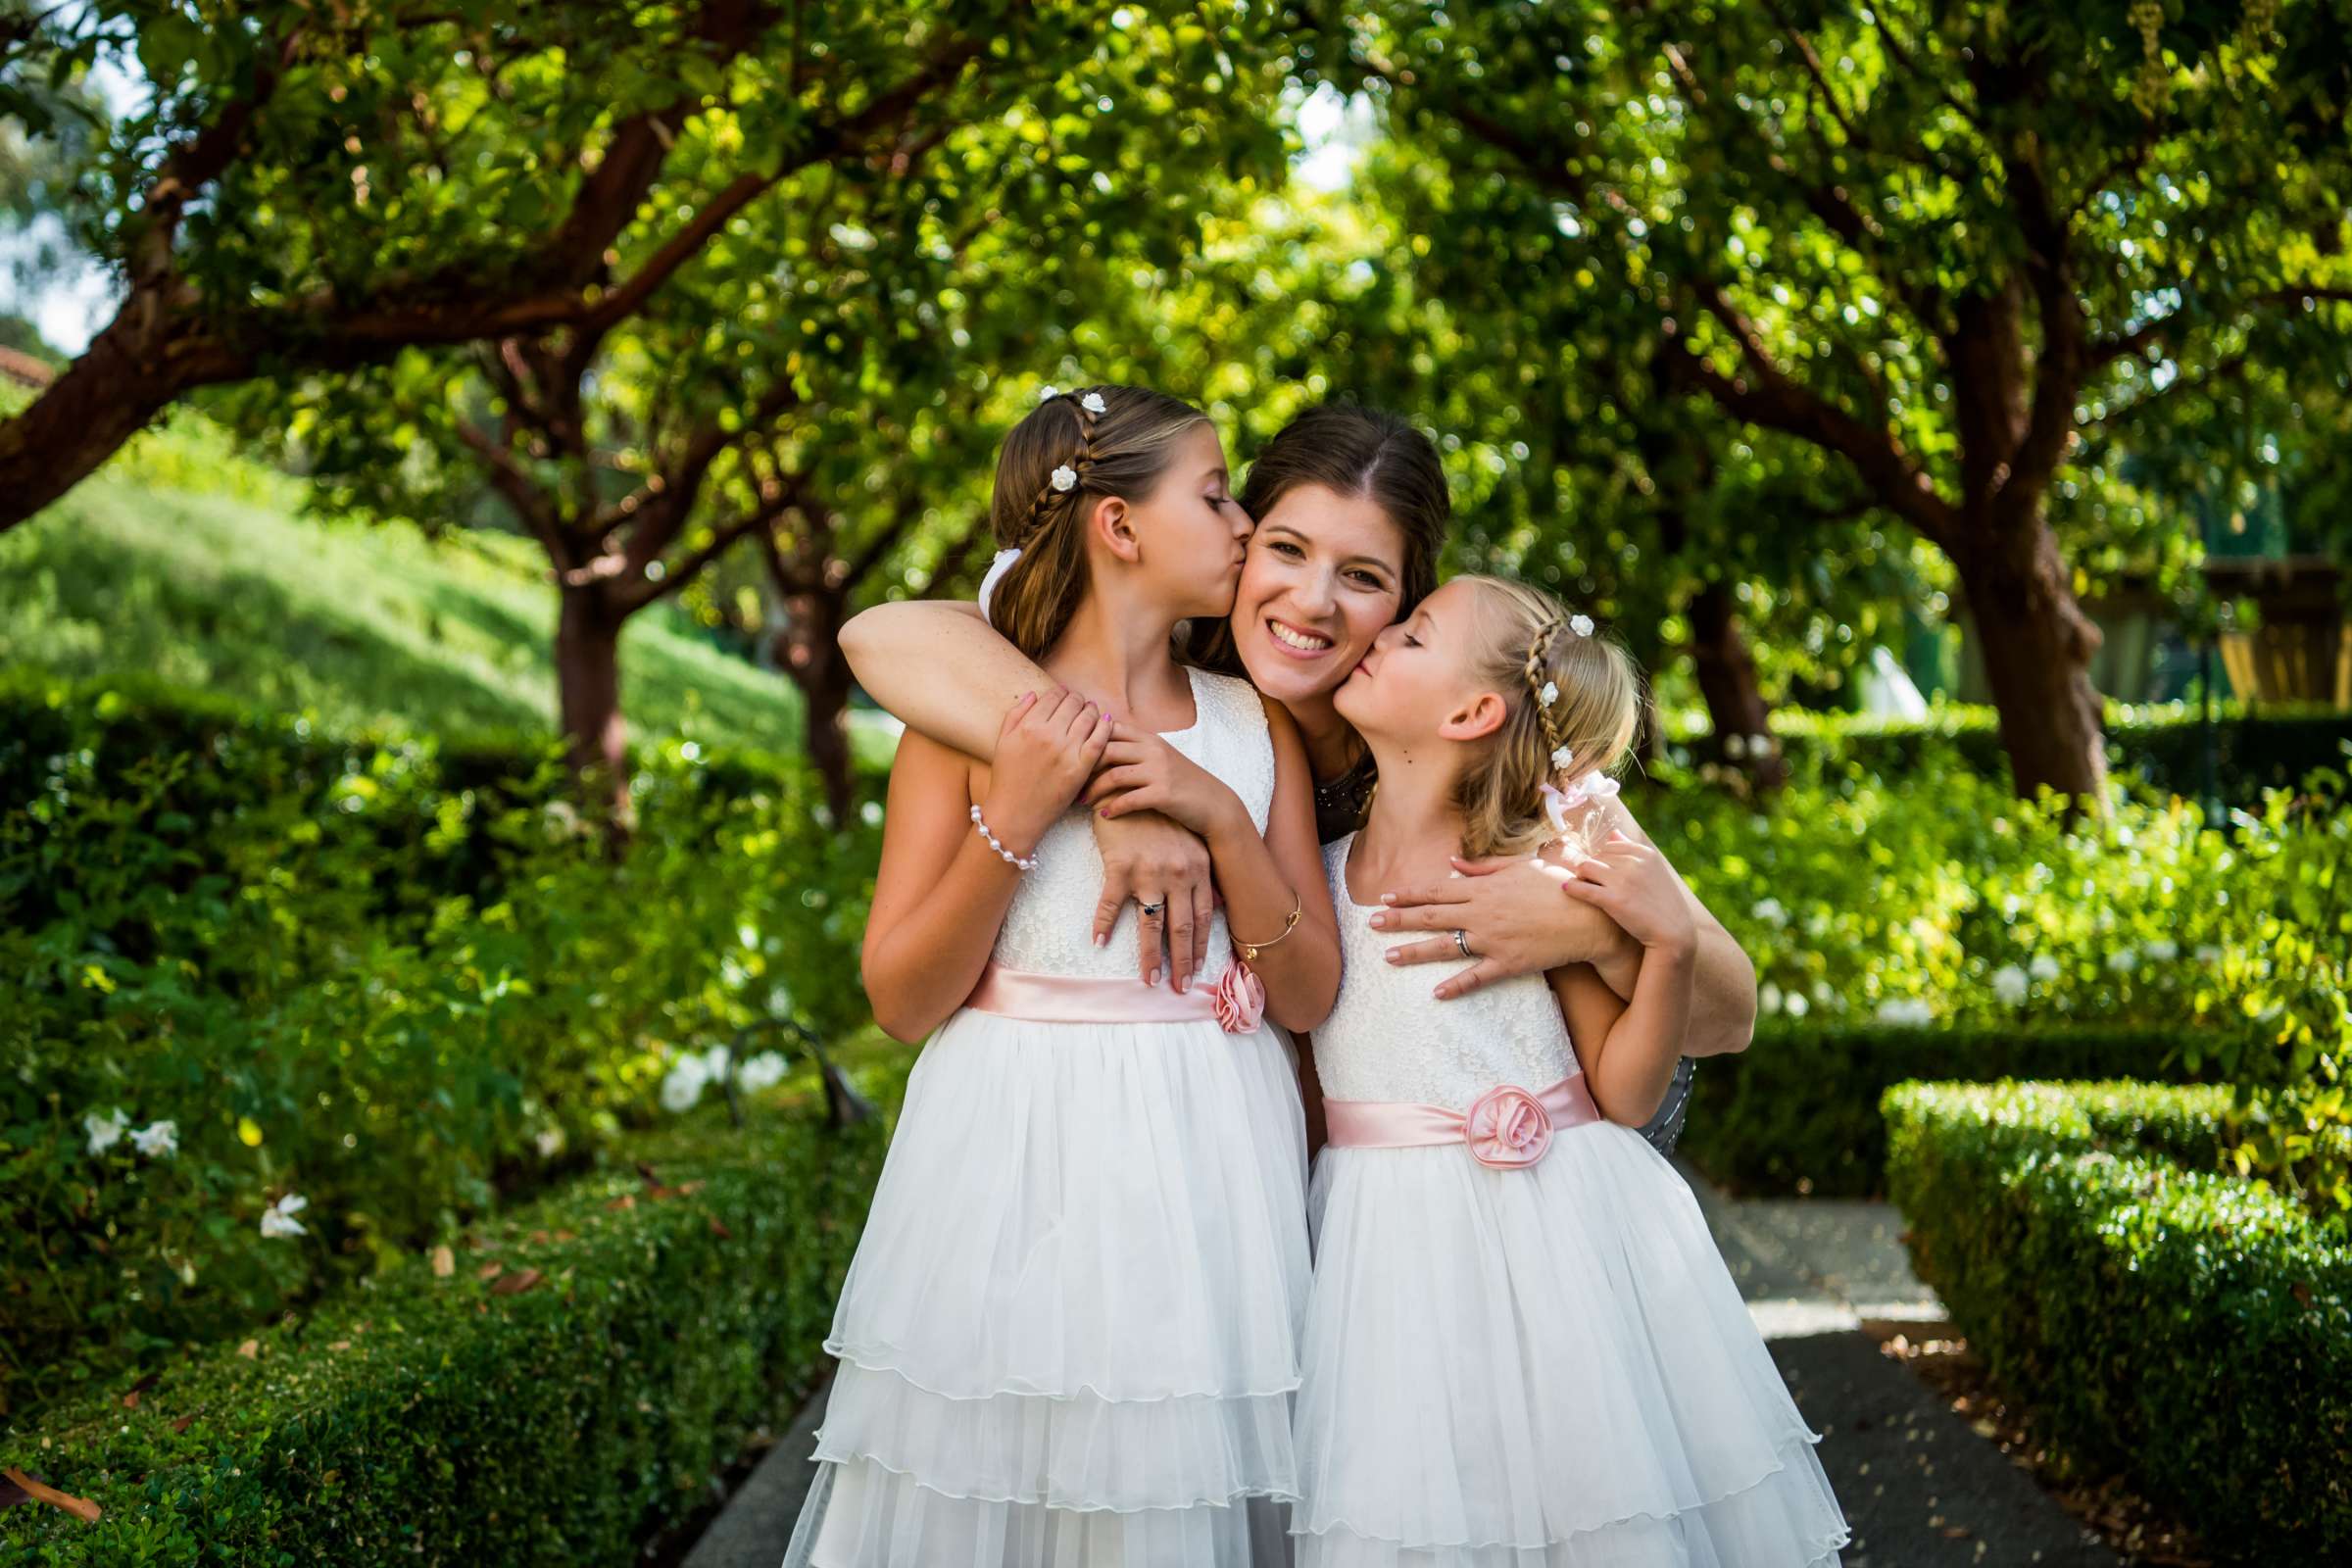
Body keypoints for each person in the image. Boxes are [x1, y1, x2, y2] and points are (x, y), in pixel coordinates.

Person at [840, 403, 1751, 1152]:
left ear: (1408, 600)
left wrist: (1584, 928)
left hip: (1509, 1174)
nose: (1312, 603)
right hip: (1268, 1176)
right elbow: (885, 637)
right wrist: (1117, 787)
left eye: (1362, 576)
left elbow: (1730, 1012)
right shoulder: (1196, 705)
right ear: (1238, 543)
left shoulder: (1486, 759)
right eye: (1285, 549)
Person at [784, 385, 1339, 1565]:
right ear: (1119, 527)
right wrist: (1020, 820)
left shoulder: (1253, 729)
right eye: (1217, 493)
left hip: (1212, 1170)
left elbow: (1307, 996)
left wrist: (1216, 824)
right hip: (1012, 1160)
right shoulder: (968, 723)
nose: (1244, 523)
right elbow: (899, 998)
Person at [1292, 575, 1848, 1565]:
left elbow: (1627, 1092)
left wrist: (1664, 945)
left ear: (1473, 711)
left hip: (1558, 1256)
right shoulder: (1316, 871)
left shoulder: (1546, 869)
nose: (1378, 636)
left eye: (1413, 633)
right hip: (1381, 1263)